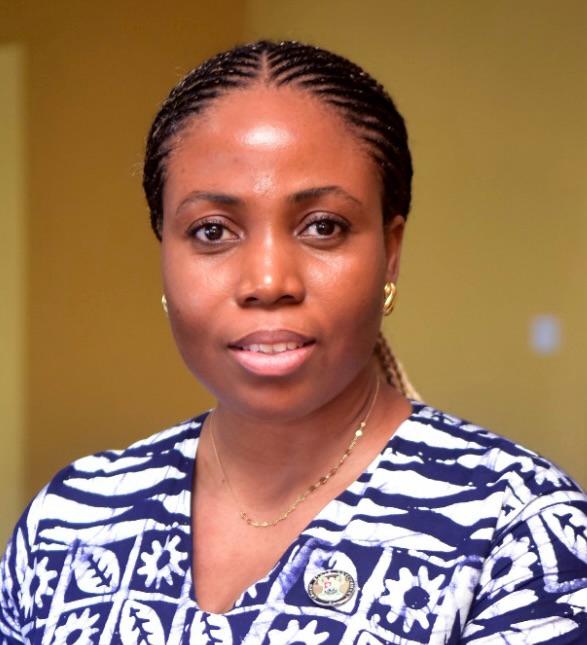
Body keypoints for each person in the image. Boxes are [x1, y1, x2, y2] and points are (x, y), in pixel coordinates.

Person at [1, 40, 586, 645]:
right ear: (165, 260)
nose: (268, 281)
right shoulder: (70, 522)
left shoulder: (518, 534)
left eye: (322, 226)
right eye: (212, 231)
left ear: (390, 253)